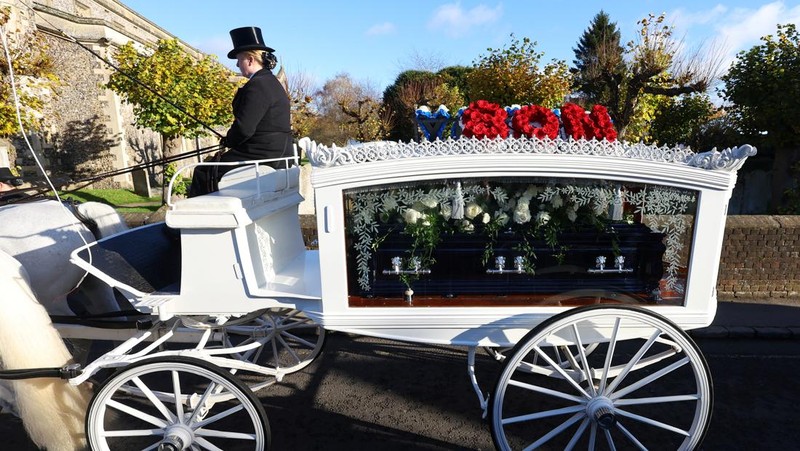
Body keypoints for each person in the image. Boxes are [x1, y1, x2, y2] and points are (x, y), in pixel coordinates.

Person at [188, 26, 293, 197]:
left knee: (204, 171)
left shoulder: (257, 86)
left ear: (250, 60)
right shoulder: (271, 82)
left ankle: (197, 222)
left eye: (239, 60)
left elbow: (245, 128)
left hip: (263, 155)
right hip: (276, 152)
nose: (237, 64)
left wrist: (229, 140)